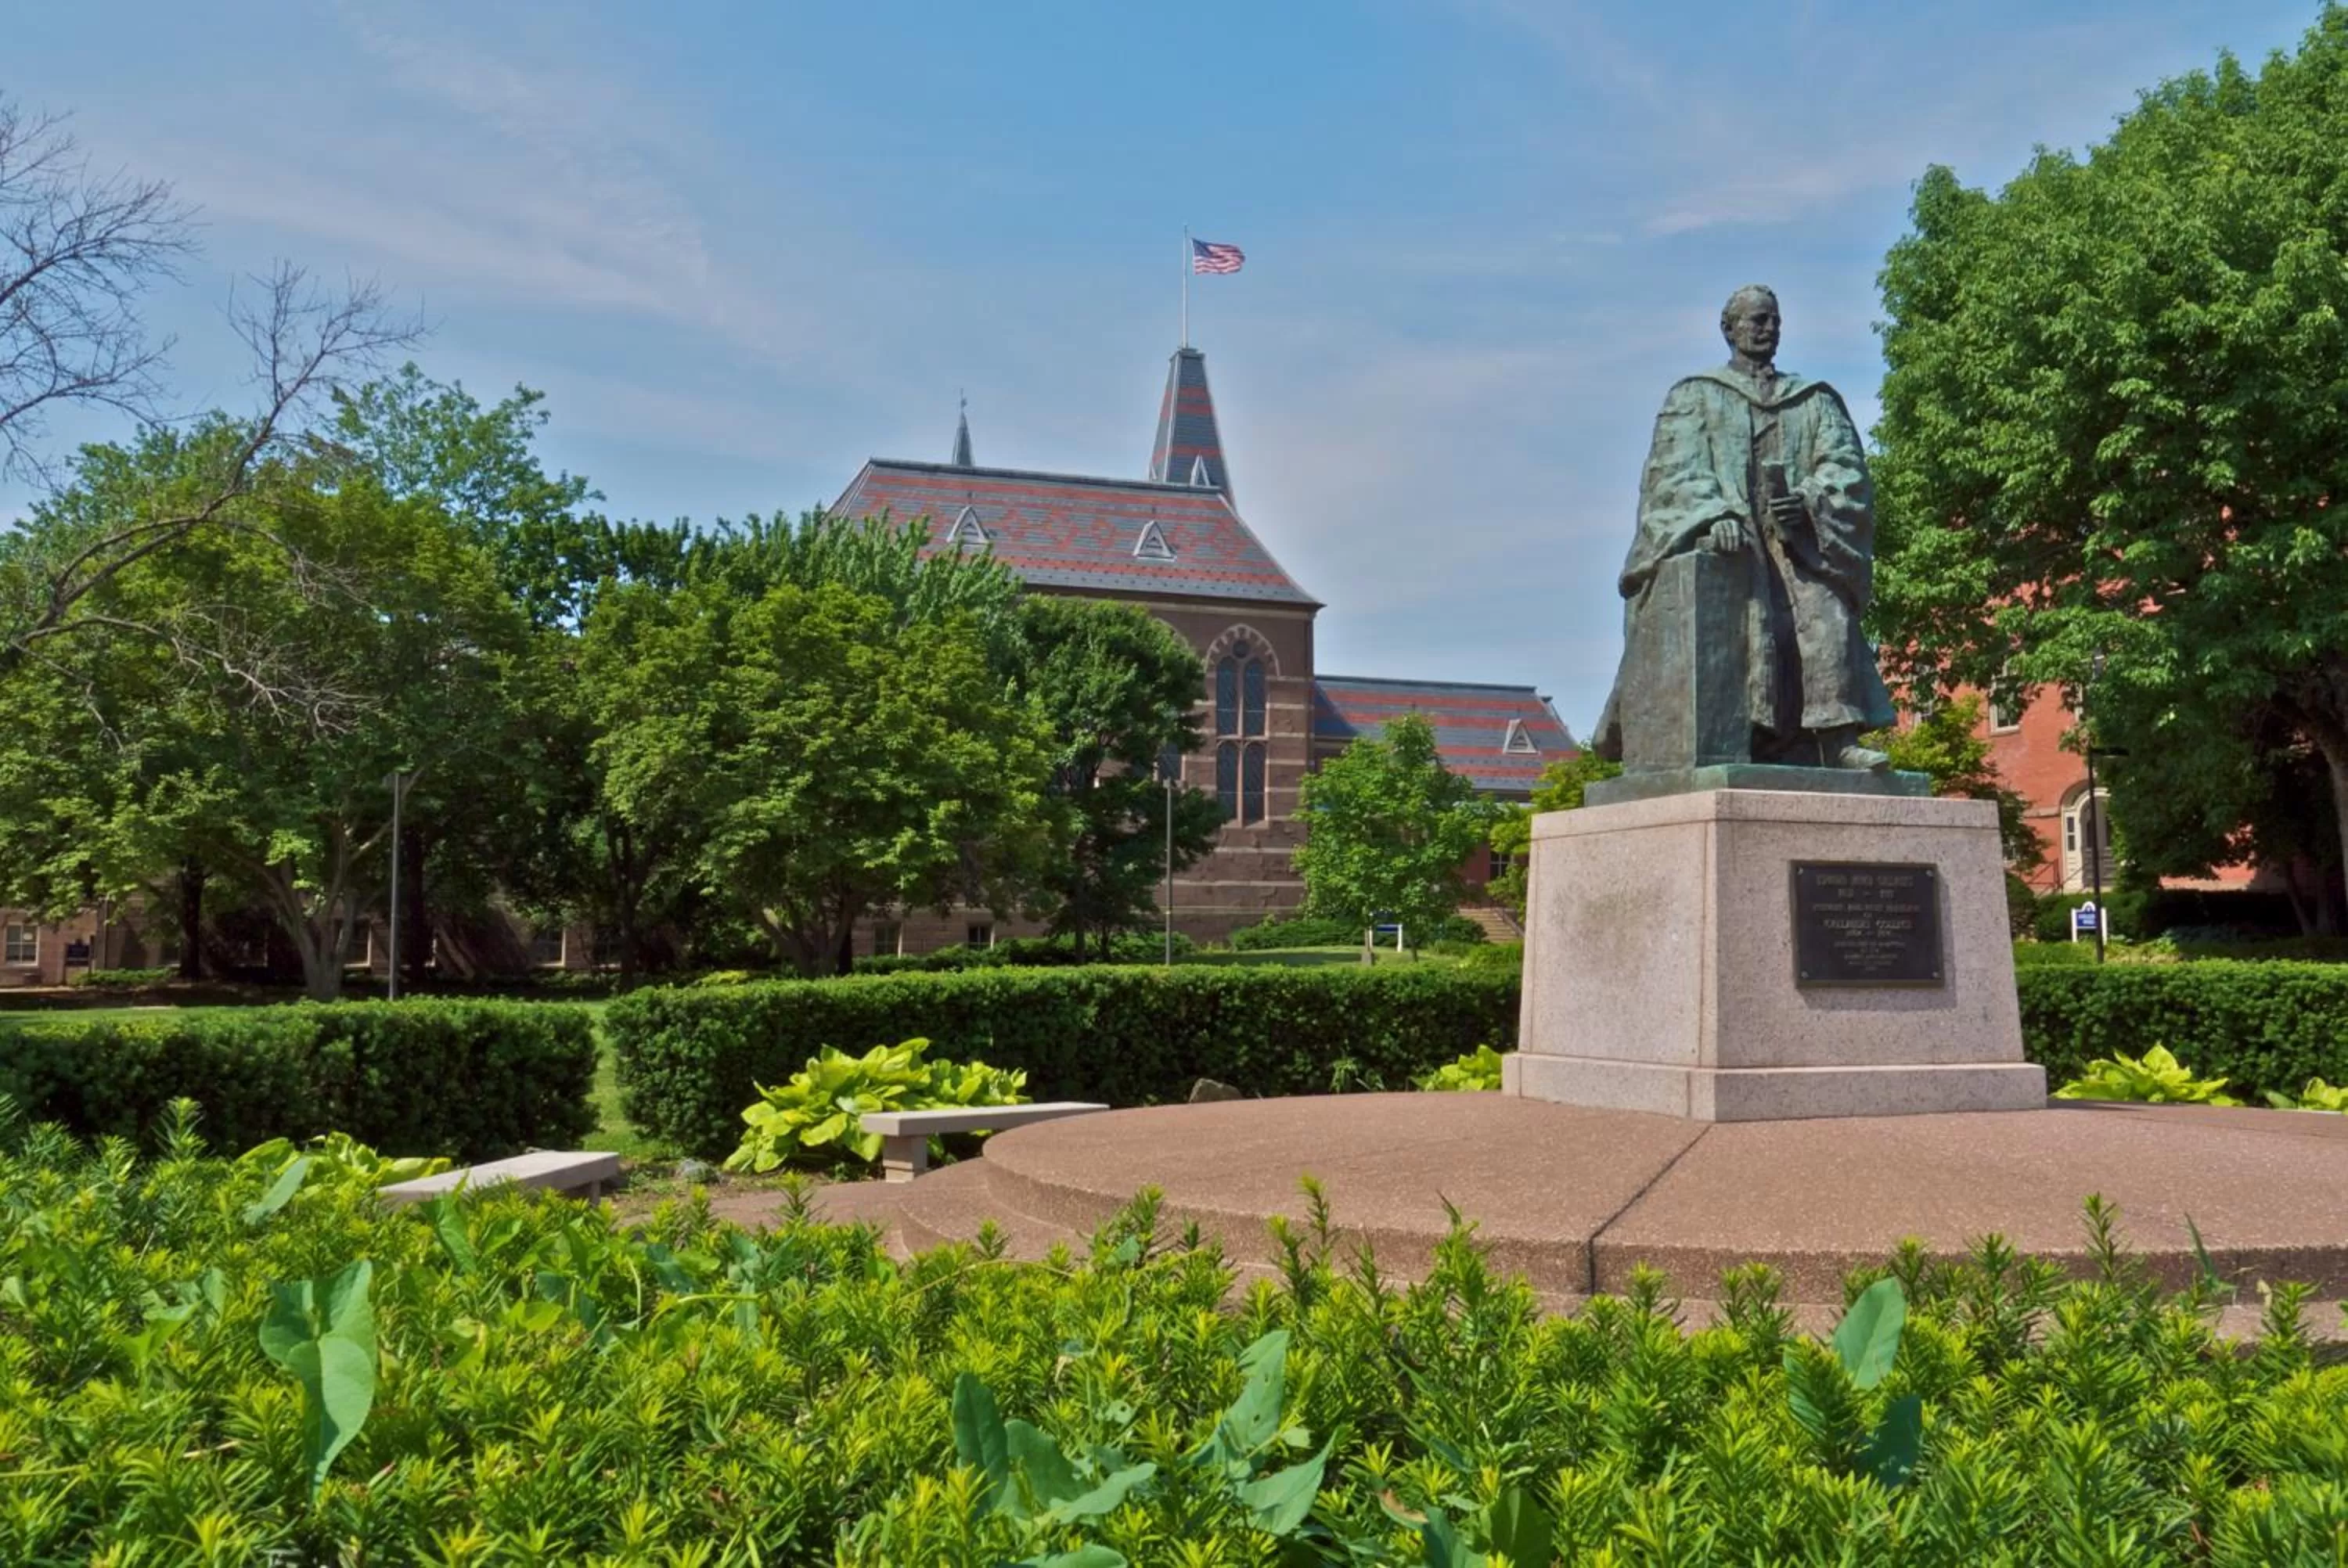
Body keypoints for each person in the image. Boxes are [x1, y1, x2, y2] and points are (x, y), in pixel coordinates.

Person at [1594, 284, 1896, 769]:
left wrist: (1809, 500)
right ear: (1728, 329)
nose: (1768, 330)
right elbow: (1674, 475)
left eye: (1774, 320)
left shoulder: (1815, 401)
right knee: (1747, 618)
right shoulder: (1695, 396)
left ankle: (1837, 741)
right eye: (1757, 321)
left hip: (1798, 547)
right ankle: (1739, 740)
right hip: (1734, 547)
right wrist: (1716, 517)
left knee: (1825, 609)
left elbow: (1846, 469)